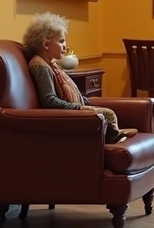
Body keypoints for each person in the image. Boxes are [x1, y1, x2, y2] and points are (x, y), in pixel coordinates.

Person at [22, 12, 135, 144]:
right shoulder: (40, 66)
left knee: (106, 113)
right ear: (46, 44)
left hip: (72, 113)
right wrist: (79, 108)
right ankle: (113, 136)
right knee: (107, 114)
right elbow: (49, 100)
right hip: (66, 118)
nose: (66, 46)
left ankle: (114, 132)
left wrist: (86, 103)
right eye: (61, 41)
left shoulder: (51, 65)